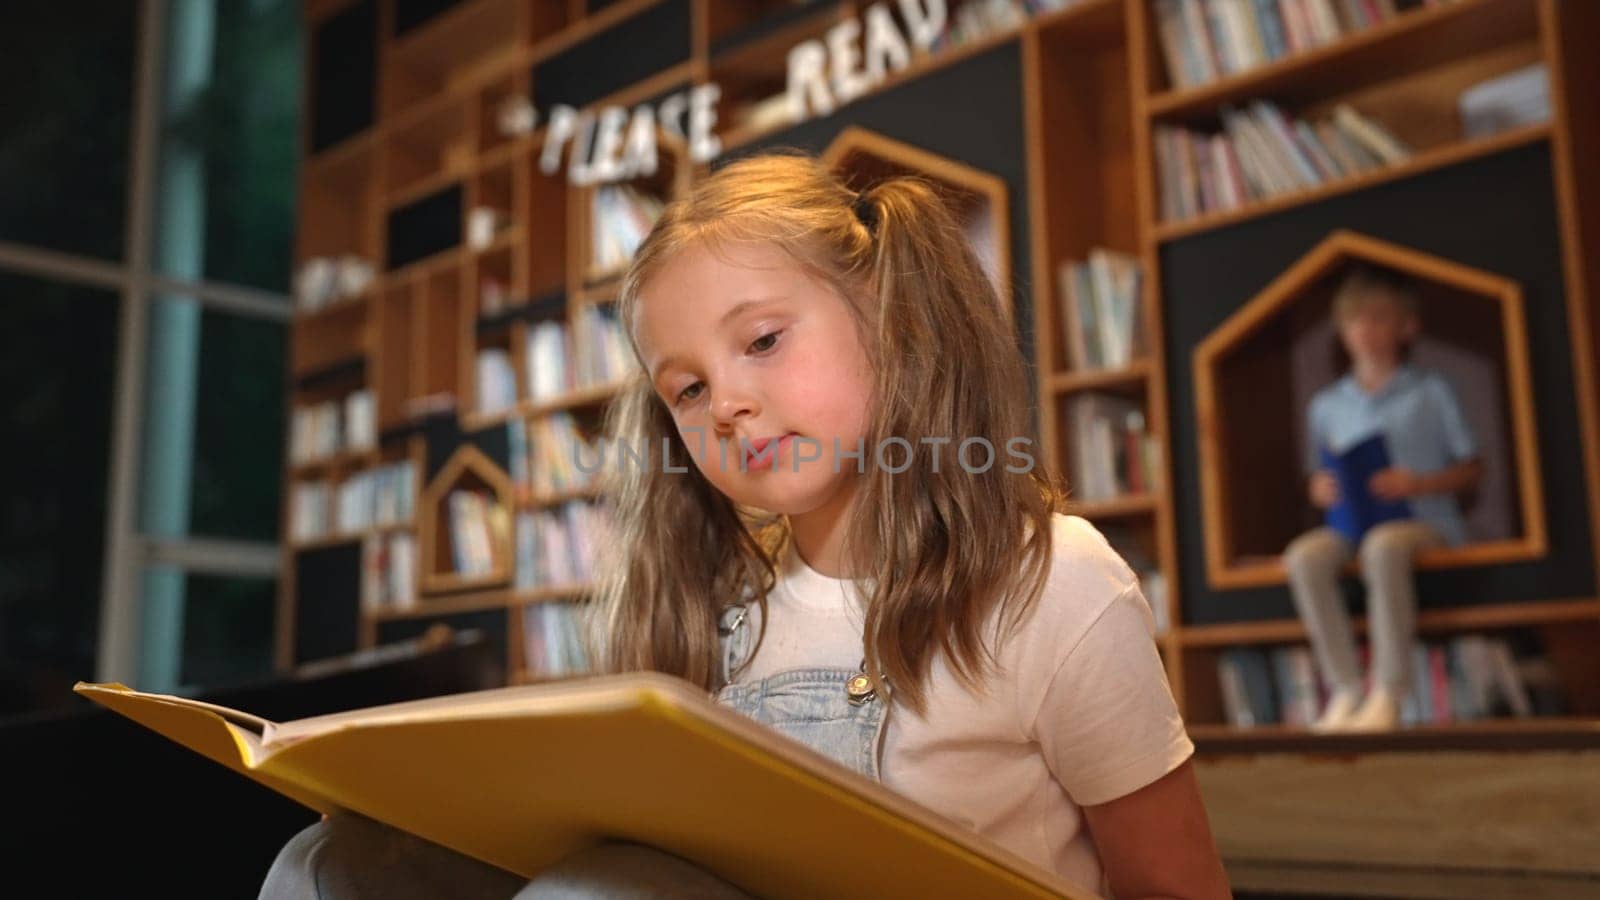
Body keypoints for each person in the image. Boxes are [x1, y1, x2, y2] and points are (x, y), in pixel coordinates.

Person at [260, 152, 1231, 899]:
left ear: (896, 322)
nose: (723, 403)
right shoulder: (717, 608)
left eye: (762, 341)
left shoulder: (1051, 581)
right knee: (331, 860)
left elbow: (1175, 887)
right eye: (686, 389)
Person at [1285, 265, 1484, 733]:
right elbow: (1318, 471)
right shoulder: (1326, 406)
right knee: (1304, 557)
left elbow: (1473, 467)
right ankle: (1346, 689)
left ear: (1405, 326)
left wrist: (1418, 484)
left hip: (1421, 521)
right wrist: (1320, 488)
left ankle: (1389, 692)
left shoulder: (1431, 392)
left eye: (1377, 318)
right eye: (1354, 321)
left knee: (1385, 548)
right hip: (1350, 525)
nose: (1364, 331)